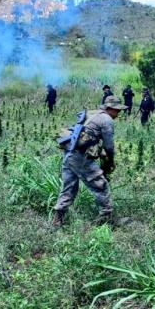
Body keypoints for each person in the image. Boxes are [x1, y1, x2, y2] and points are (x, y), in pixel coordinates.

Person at [52, 95, 127, 228]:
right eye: (117, 110)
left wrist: (103, 157)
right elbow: (109, 146)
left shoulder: (92, 114)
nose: (118, 113)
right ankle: (108, 218)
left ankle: (57, 221)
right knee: (101, 185)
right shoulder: (107, 119)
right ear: (110, 108)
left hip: (69, 153)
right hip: (81, 157)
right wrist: (110, 161)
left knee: (68, 188)